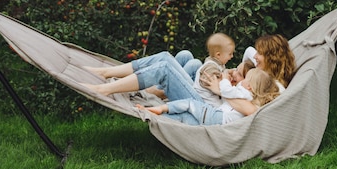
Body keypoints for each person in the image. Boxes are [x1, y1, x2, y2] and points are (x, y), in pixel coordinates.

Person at [83, 33, 235, 105]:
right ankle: (107, 72)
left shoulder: (255, 83)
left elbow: (224, 90)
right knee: (180, 56)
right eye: (231, 54)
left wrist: (225, 83)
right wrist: (231, 74)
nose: (233, 57)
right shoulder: (224, 66)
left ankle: (105, 89)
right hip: (205, 92)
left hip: (202, 104)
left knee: (164, 67)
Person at [139, 68, 279, 126]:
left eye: (245, 78)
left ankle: (160, 108)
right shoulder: (246, 97)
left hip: (215, 116)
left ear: (250, 86)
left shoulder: (244, 94)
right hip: (215, 121)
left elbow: (226, 91)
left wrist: (224, 78)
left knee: (189, 103)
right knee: (184, 118)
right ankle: (153, 115)